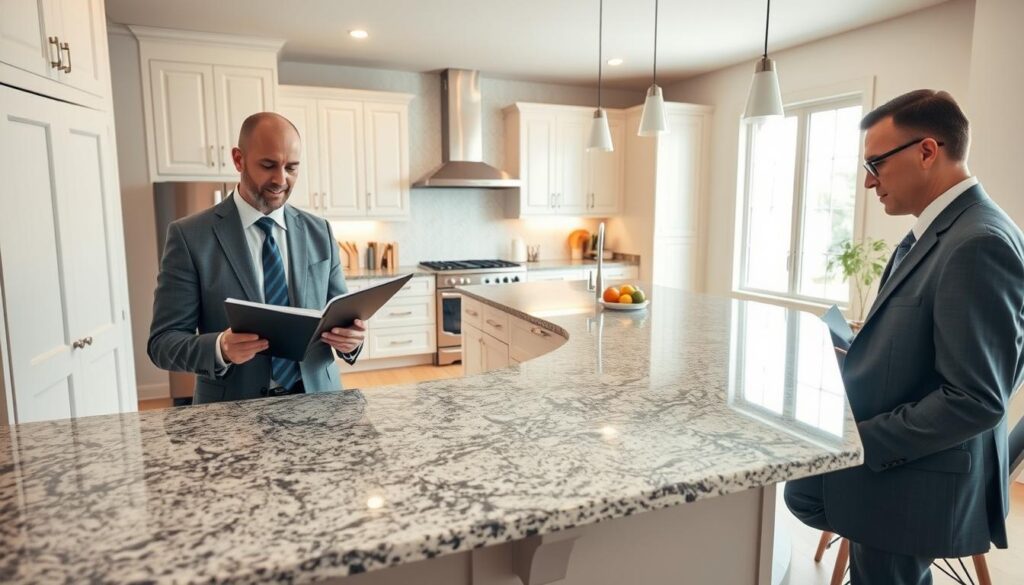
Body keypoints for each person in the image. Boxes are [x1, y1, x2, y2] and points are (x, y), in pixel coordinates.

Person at [785, 90, 1024, 584]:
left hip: (915, 477)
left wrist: (859, 442)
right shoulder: (941, 231)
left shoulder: (978, 243)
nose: (868, 181)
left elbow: (976, 399)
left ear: (927, 151)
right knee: (801, 491)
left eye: (876, 163)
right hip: (904, 457)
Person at [148, 112, 366, 404]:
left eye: (291, 168)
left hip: (320, 403)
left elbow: (340, 316)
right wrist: (220, 348)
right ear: (239, 160)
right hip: (232, 414)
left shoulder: (319, 231)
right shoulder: (189, 237)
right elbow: (163, 343)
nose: (280, 179)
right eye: (268, 165)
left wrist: (351, 342)